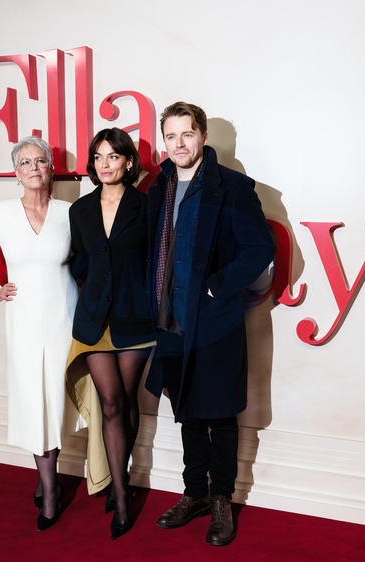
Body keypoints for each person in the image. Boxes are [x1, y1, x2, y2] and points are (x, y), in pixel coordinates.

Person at [145, 102, 275, 546]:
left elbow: (259, 248)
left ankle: (222, 499)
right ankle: (194, 493)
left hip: (214, 322)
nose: (179, 143)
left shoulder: (233, 187)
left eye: (187, 134)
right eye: (171, 136)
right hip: (169, 319)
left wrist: (219, 286)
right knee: (186, 411)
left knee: (219, 413)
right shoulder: (159, 187)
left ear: (202, 136)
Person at [0, 136, 79, 532]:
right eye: (25, 162)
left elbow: (88, 260)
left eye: (40, 161)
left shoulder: (68, 213)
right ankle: (50, 490)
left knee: (56, 402)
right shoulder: (2, 213)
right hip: (23, 320)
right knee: (33, 402)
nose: (33, 168)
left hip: (65, 319)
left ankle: (48, 479)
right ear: (16, 172)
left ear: (50, 169)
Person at [66, 127, 155, 540]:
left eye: (113, 156)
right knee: (112, 403)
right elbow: (77, 259)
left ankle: (122, 477)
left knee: (128, 400)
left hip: (135, 320)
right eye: (98, 157)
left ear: (128, 162)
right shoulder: (80, 210)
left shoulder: (147, 206)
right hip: (94, 321)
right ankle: (121, 495)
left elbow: (157, 262)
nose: (105, 164)